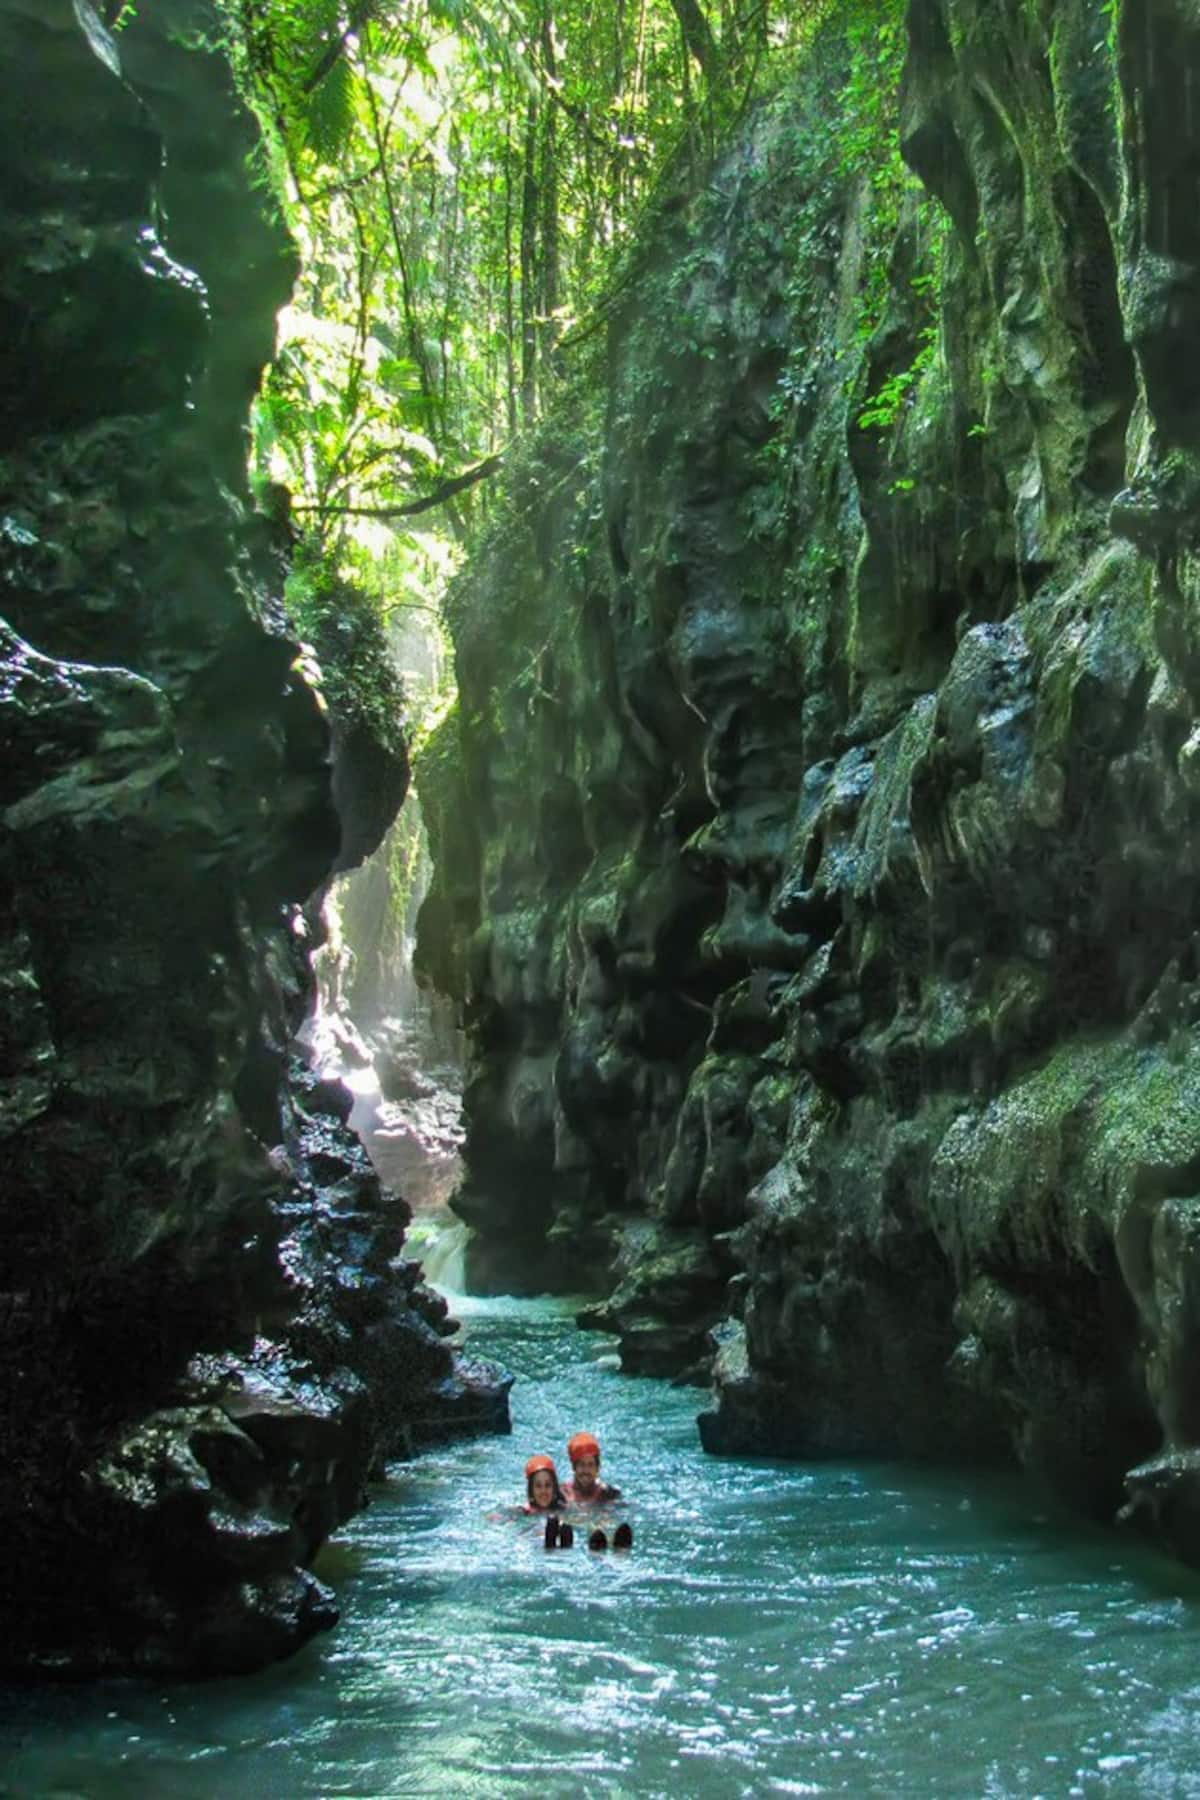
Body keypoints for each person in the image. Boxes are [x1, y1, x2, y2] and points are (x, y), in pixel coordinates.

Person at [562, 1432, 622, 1505]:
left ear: (597, 1468)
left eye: (590, 1465)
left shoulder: (608, 1495)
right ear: (574, 1467)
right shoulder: (562, 1495)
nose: (586, 1470)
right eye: (582, 1464)